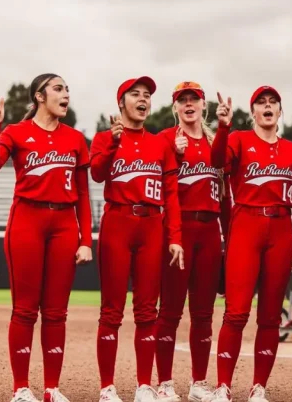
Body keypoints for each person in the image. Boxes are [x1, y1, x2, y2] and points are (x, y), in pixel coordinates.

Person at [0, 74, 92, 402]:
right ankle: (20, 389)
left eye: (67, 89)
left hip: (63, 225)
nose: (66, 94)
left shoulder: (75, 138)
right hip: (27, 221)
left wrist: (86, 239)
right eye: (59, 88)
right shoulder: (16, 132)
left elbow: (84, 195)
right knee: (26, 310)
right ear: (40, 96)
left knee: (57, 312)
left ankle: (51, 388)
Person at [207, 87, 292, 402]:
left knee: (269, 316)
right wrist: (223, 127)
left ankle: (258, 387)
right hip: (246, 225)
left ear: (280, 111)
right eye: (261, 103)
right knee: (236, 312)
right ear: (253, 112)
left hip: (280, 229)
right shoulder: (238, 139)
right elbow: (217, 160)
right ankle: (223, 385)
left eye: (272, 103)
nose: (267, 107)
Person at [90, 76, 184, 402]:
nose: (143, 100)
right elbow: (97, 173)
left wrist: (175, 237)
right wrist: (113, 143)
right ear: (122, 103)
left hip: (152, 225)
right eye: (135, 94)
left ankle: (145, 384)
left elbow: (171, 194)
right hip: (117, 221)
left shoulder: (160, 142)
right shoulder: (104, 137)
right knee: (111, 311)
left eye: (147, 95)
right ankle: (107, 387)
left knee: (147, 311)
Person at [153, 82, 223, 402]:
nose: (188, 103)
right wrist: (175, 156)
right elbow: (155, 184)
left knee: (204, 313)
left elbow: (227, 192)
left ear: (203, 103)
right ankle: (165, 383)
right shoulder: (166, 139)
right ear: (175, 108)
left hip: (210, 230)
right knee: (169, 311)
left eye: (193, 98)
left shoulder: (215, 142)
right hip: (178, 231)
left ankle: (198, 382)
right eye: (182, 100)